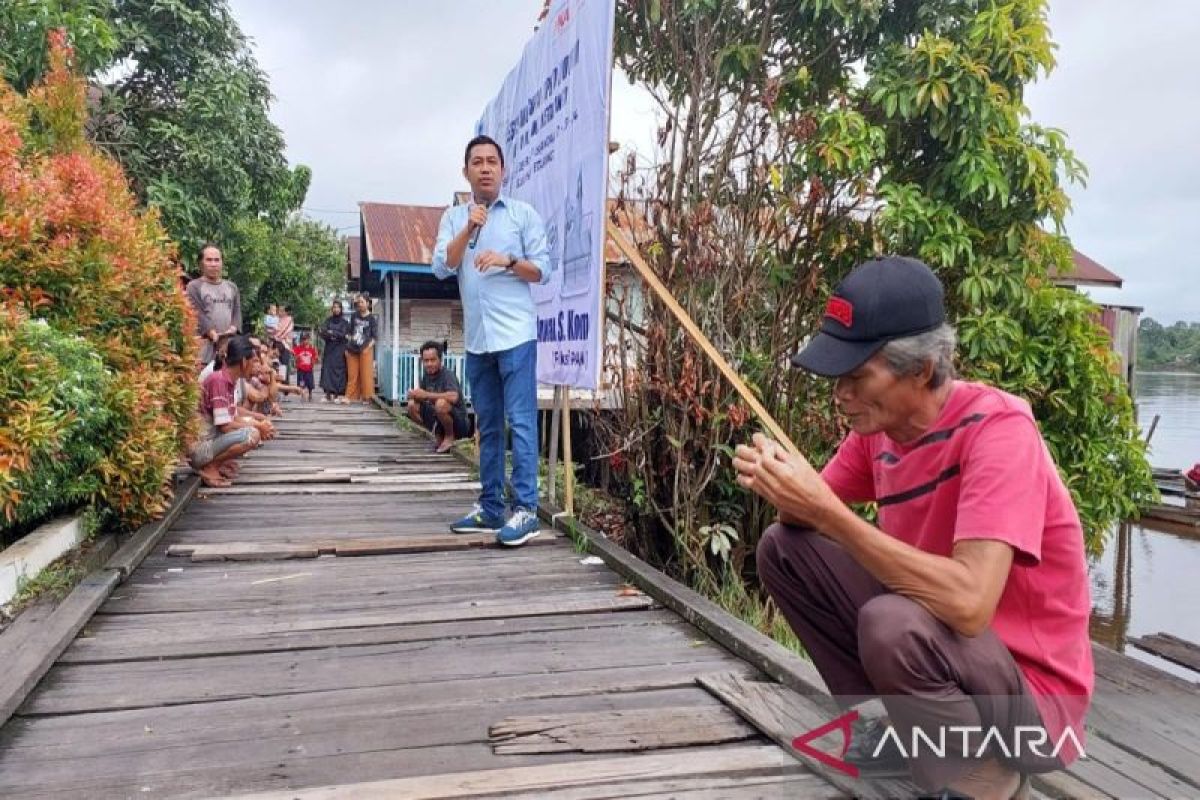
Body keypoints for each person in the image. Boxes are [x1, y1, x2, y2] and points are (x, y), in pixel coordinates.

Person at [732, 257, 1092, 800]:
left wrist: (828, 511)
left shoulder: (998, 432)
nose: (840, 394)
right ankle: (899, 730)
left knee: (891, 622)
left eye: (857, 377)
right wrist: (788, 485)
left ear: (921, 369)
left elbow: (970, 603)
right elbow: (804, 520)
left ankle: (985, 778)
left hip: (1034, 710)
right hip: (949, 658)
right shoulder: (881, 431)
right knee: (783, 550)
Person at [432, 134, 553, 547]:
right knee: (487, 425)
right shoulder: (453, 218)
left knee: (520, 422)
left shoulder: (523, 215)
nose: (485, 168)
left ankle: (526, 511)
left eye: (492, 162)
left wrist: (508, 260)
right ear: (465, 171)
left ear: (503, 170)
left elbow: (543, 271)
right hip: (479, 340)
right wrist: (470, 226)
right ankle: (490, 506)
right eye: (477, 162)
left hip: (516, 336)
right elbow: (443, 267)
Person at [189, 335, 273, 487]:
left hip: (210, 442)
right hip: (200, 450)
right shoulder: (218, 380)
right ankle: (210, 467)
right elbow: (225, 426)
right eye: (254, 361)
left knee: (252, 427)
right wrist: (258, 427)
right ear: (243, 362)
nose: (257, 366)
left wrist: (259, 422)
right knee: (251, 434)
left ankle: (218, 464)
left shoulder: (228, 380)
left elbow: (233, 417)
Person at [407, 341, 471, 453]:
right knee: (412, 405)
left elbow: (454, 396)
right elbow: (423, 398)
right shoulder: (426, 376)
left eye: (433, 360)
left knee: (441, 404)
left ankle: (449, 437)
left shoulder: (447, 375)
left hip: (459, 424)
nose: (429, 364)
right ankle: (438, 436)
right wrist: (415, 395)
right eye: (426, 361)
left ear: (440, 360)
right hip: (438, 419)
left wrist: (426, 395)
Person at [186, 243, 242, 364]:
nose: (213, 264)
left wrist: (233, 327)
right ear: (201, 263)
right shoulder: (194, 287)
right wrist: (212, 334)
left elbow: (236, 312)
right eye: (209, 260)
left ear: (222, 262)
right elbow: (197, 314)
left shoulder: (231, 287)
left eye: (217, 260)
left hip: (229, 348)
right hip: (204, 349)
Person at [345, 294, 377, 404]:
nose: (360, 304)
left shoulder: (372, 319)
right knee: (352, 374)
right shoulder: (354, 316)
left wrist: (368, 347)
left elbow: (374, 337)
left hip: (366, 349)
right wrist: (351, 339)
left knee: (366, 374)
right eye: (359, 302)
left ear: (368, 303)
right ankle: (350, 397)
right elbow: (348, 332)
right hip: (352, 348)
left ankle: (367, 397)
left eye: (362, 302)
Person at [319, 300, 350, 403]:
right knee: (327, 370)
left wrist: (332, 332)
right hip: (329, 349)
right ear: (332, 309)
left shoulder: (345, 322)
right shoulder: (328, 321)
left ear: (341, 309)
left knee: (339, 371)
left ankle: (337, 395)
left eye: (338, 307)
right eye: (334, 307)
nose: (336, 309)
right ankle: (328, 394)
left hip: (340, 350)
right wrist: (335, 334)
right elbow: (323, 332)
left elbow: (344, 335)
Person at [294, 332, 318, 401]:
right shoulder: (298, 348)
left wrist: (314, 361)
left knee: (310, 383)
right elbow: (295, 356)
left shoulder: (312, 349)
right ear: (302, 340)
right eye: (304, 339)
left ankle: (310, 394)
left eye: (307, 339)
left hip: (309, 369)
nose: (305, 341)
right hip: (301, 369)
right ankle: (302, 394)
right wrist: (297, 360)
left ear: (309, 340)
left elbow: (315, 358)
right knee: (302, 382)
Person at [273, 304, 295, 378]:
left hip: (286, 345)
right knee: (275, 363)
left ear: (286, 312)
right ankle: (277, 382)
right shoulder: (275, 319)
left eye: (282, 311)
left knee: (284, 365)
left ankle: (285, 382)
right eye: (279, 310)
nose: (280, 312)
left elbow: (286, 331)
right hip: (276, 344)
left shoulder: (289, 320)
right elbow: (272, 330)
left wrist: (277, 336)